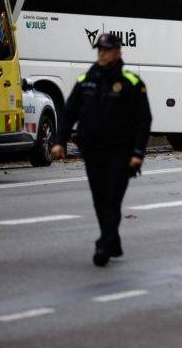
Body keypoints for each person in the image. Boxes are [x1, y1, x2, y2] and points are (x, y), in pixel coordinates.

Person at [52, 33, 152, 267]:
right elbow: (69, 111)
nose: (102, 54)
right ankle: (113, 239)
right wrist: (59, 140)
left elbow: (143, 120)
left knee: (111, 198)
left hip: (120, 152)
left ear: (118, 52)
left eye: (106, 50)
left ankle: (103, 246)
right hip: (92, 150)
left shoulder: (130, 82)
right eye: (99, 50)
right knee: (99, 199)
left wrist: (137, 153)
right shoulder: (87, 78)